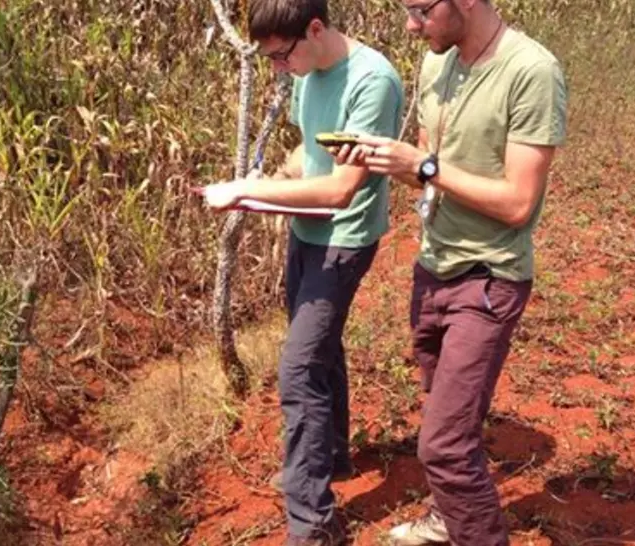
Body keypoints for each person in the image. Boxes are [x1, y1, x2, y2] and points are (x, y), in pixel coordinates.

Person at [331, 0, 568, 544]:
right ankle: (446, 517)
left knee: (442, 444)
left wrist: (423, 165)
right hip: (434, 266)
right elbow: (430, 171)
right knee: (449, 416)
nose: (411, 26)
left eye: (420, 10)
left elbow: (518, 203)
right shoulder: (438, 61)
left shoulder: (531, 72)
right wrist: (383, 158)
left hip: (489, 277)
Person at [201, 0, 404, 544]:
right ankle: (329, 456)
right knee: (320, 350)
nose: (278, 68)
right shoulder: (305, 70)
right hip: (306, 235)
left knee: (298, 368)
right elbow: (307, 153)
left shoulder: (372, 82)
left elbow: (340, 189)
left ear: (315, 29)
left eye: (281, 55)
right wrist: (267, 179)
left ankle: (312, 524)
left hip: (344, 239)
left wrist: (246, 192)